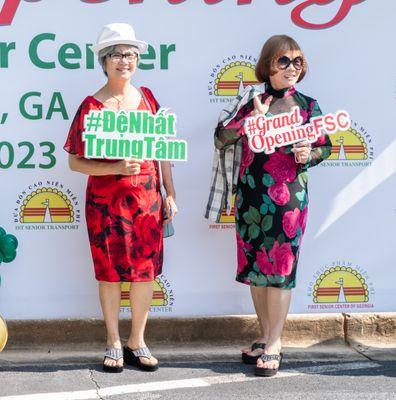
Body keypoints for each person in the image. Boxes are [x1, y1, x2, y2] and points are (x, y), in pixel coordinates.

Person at [205, 35, 332, 377]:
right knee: (257, 272)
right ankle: (264, 336)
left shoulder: (307, 105)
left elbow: (326, 146)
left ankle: (275, 342)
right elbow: (221, 137)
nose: (292, 68)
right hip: (250, 197)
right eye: (284, 61)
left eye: (297, 62)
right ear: (268, 64)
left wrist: (309, 154)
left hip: (289, 199)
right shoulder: (250, 99)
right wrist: (250, 120)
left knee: (279, 271)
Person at [64, 23, 177, 373]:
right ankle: (113, 340)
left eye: (129, 54)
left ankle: (137, 341)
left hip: (147, 203)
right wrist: (114, 167)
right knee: (110, 275)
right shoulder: (91, 107)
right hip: (106, 205)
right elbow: (74, 161)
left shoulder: (148, 99)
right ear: (103, 60)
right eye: (115, 54)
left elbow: (162, 152)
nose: (123, 60)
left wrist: (169, 193)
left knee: (144, 275)